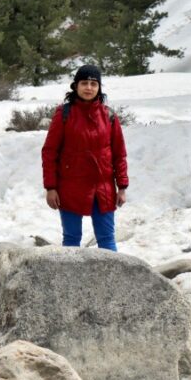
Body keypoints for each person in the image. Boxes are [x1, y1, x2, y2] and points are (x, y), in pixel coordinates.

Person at [41, 65, 128, 251]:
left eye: (93, 84)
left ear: (99, 87)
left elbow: (119, 154)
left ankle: (111, 279)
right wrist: (51, 187)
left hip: (103, 188)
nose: (89, 88)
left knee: (106, 239)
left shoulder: (110, 116)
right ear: (75, 86)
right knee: (71, 240)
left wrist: (122, 186)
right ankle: (68, 279)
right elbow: (49, 152)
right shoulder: (63, 114)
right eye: (84, 83)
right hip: (70, 187)